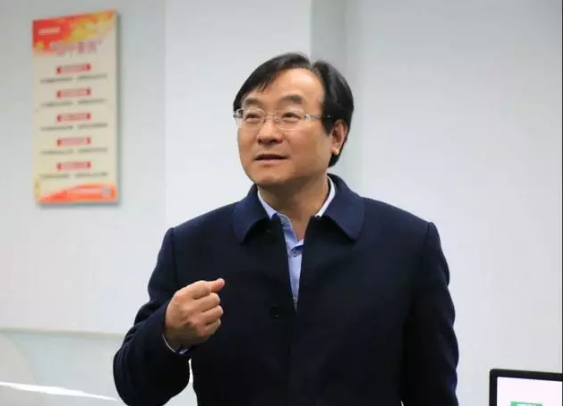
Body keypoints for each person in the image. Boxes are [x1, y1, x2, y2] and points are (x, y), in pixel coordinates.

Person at [113, 52, 459, 406]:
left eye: (289, 116)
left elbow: (433, 392)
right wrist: (169, 332)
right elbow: (136, 390)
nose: (266, 134)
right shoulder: (191, 245)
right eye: (252, 116)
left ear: (336, 135)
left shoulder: (407, 244)